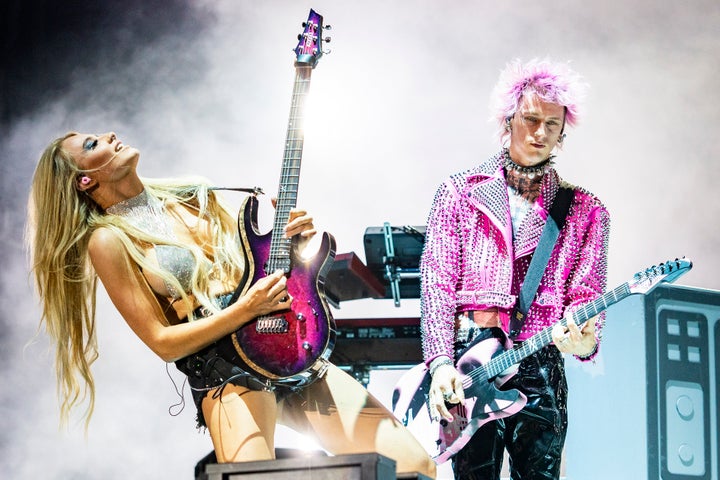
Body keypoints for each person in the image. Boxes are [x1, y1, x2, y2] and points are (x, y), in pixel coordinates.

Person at [27, 131, 436, 478]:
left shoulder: (197, 195)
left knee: (413, 465)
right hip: (227, 376)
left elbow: (260, 269)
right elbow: (162, 342)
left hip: (286, 353)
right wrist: (245, 311)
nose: (112, 136)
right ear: (83, 181)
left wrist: (294, 240)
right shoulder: (110, 241)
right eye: (94, 143)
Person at [420, 58, 609, 479]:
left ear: (564, 130)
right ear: (508, 119)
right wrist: (439, 363)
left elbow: (587, 297)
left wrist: (583, 341)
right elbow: (437, 285)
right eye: (531, 119)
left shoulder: (586, 211)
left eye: (552, 124)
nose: (541, 133)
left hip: (540, 361)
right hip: (469, 362)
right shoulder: (458, 194)